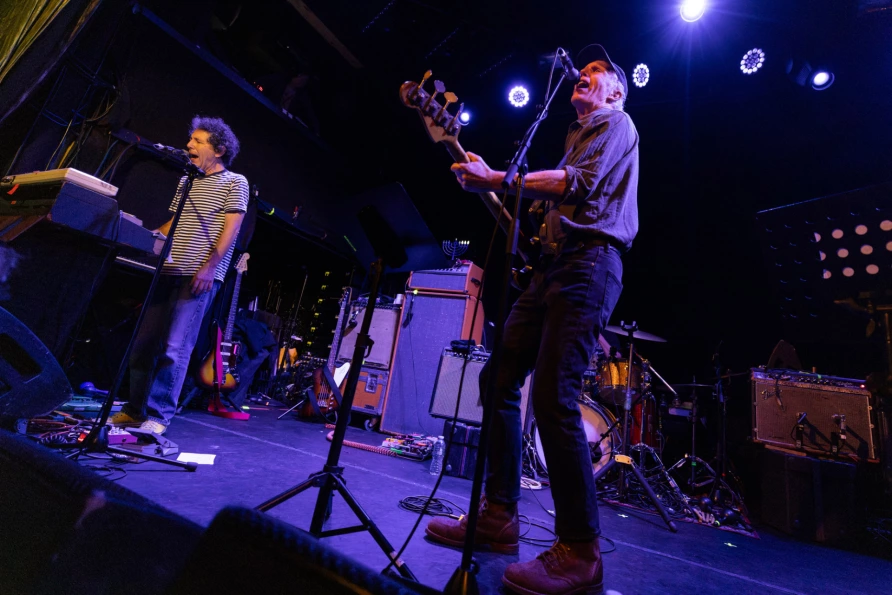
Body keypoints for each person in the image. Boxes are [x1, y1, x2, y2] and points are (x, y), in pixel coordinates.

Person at [425, 44, 639, 595]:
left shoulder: (619, 124)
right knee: (496, 378)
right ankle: (500, 515)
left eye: (598, 72)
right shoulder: (572, 135)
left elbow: (578, 185)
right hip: (551, 270)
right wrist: (478, 174)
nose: (586, 75)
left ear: (615, 91)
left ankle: (581, 550)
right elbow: (530, 217)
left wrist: (496, 177)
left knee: (553, 398)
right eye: (583, 70)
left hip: (590, 264)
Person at [109, 116, 248, 435]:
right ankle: (134, 410)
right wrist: (140, 234)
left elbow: (232, 228)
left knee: (174, 346)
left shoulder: (235, 181)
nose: (189, 145)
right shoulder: (187, 180)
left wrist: (210, 268)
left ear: (220, 149)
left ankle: (158, 415)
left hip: (199, 274)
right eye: (191, 140)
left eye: (198, 141)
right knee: (144, 343)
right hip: (168, 269)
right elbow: (175, 221)